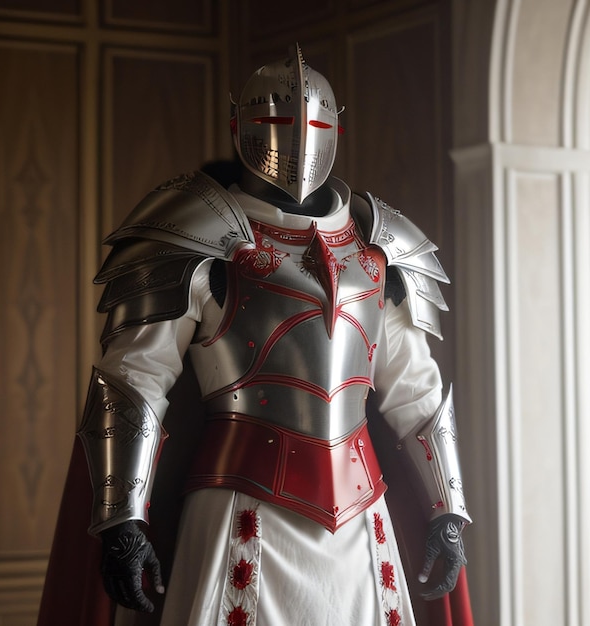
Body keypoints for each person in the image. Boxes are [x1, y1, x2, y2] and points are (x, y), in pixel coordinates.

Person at [38, 45, 473, 626]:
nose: (297, 141)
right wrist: (124, 521)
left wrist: (447, 509)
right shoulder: (192, 233)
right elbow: (134, 381)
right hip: (238, 505)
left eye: (314, 123)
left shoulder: (380, 246)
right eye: (277, 123)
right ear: (240, 124)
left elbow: (415, 392)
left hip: (362, 517)